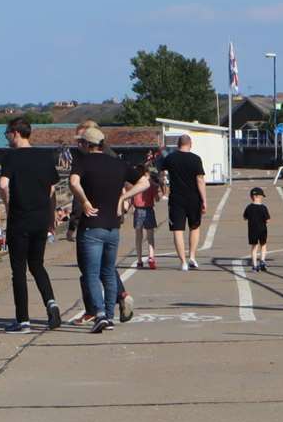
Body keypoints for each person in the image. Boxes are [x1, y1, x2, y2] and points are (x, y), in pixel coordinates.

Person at [69, 125, 148, 333]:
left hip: (92, 226)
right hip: (113, 226)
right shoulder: (118, 163)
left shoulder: (82, 162)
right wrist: (123, 197)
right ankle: (110, 317)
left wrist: (84, 201)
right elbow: (144, 182)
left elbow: (73, 182)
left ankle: (100, 314)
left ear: (87, 144)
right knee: (109, 272)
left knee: (91, 274)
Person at [0, 116, 62, 332]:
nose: (7, 138)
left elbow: (3, 185)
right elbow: (52, 189)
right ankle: (51, 303)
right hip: (41, 219)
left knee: (19, 270)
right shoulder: (44, 156)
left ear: (15, 133)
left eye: (7, 133)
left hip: (20, 219)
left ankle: (23, 320)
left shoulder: (11, 157)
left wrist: (8, 206)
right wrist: (49, 213)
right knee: (37, 265)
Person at [159, 134, 208, 270]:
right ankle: (192, 256)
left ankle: (183, 262)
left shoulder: (170, 158)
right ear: (190, 144)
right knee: (195, 227)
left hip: (176, 198)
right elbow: (200, 180)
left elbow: (162, 175)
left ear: (178, 144)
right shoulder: (196, 159)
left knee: (178, 230)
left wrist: (164, 188)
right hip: (194, 198)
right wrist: (204, 200)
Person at [130, 152, 160, 270]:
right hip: (149, 209)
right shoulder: (151, 184)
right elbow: (157, 199)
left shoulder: (135, 184)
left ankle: (139, 260)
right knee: (150, 235)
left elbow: (132, 198)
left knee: (138, 235)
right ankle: (151, 256)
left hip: (138, 210)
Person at [245, 187, 271, 272]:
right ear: (257, 196)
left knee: (254, 247)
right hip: (262, 229)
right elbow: (267, 220)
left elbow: (245, 217)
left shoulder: (249, 207)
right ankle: (262, 261)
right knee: (263, 245)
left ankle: (254, 265)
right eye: (261, 196)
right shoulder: (263, 207)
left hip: (252, 230)